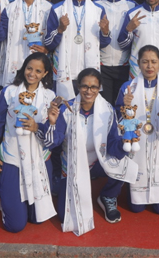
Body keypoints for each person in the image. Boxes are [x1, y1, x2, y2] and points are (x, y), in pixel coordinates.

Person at [46, 68, 139, 234]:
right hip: (72, 164)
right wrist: (52, 123)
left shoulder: (107, 110)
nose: (89, 91)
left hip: (97, 161)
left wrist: (125, 142)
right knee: (64, 217)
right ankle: (60, 183)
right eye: (85, 86)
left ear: (99, 87)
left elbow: (113, 145)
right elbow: (55, 143)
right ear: (78, 86)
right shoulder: (66, 109)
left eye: (94, 87)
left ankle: (108, 196)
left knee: (125, 162)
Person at [0, 53, 57, 233]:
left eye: (38, 71)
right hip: (12, 158)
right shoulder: (9, 92)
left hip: (39, 159)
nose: (32, 74)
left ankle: (18, 202)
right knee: (15, 226)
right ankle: (6, 200)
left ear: (45, 73)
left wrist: (37, 127)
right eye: (29, 68)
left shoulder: (50, 96)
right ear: (24, 68)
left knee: (37, 219)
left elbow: (53, 130)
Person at [114, 45, 159, 215]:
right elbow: (116, 119)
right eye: (145, 61)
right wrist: (124, 105)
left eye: (153, 61)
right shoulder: (127, 88)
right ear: (138, 63)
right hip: (138, 143)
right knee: (136, 208)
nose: (149, 66)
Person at [44, 0, 110, 100]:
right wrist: (60, 30)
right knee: (63, 108)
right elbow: (48, 44)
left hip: (88, 72)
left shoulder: (98, 10)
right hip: (65, 71)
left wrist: (105, 32)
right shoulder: (57, 9)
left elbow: (103, 44)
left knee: (87, 108)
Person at [0, 0, 54, 87]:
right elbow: (1, 36)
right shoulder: (9, 9)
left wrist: (47, 49)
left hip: (39, 57)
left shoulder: (48, 8)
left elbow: (53, 34)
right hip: (16, 56)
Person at [95, 0, 137, 105]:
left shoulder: (132, 6)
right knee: (104, 106)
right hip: (101, 66)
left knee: (122, 106)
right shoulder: (95, 5)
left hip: (124, 66)